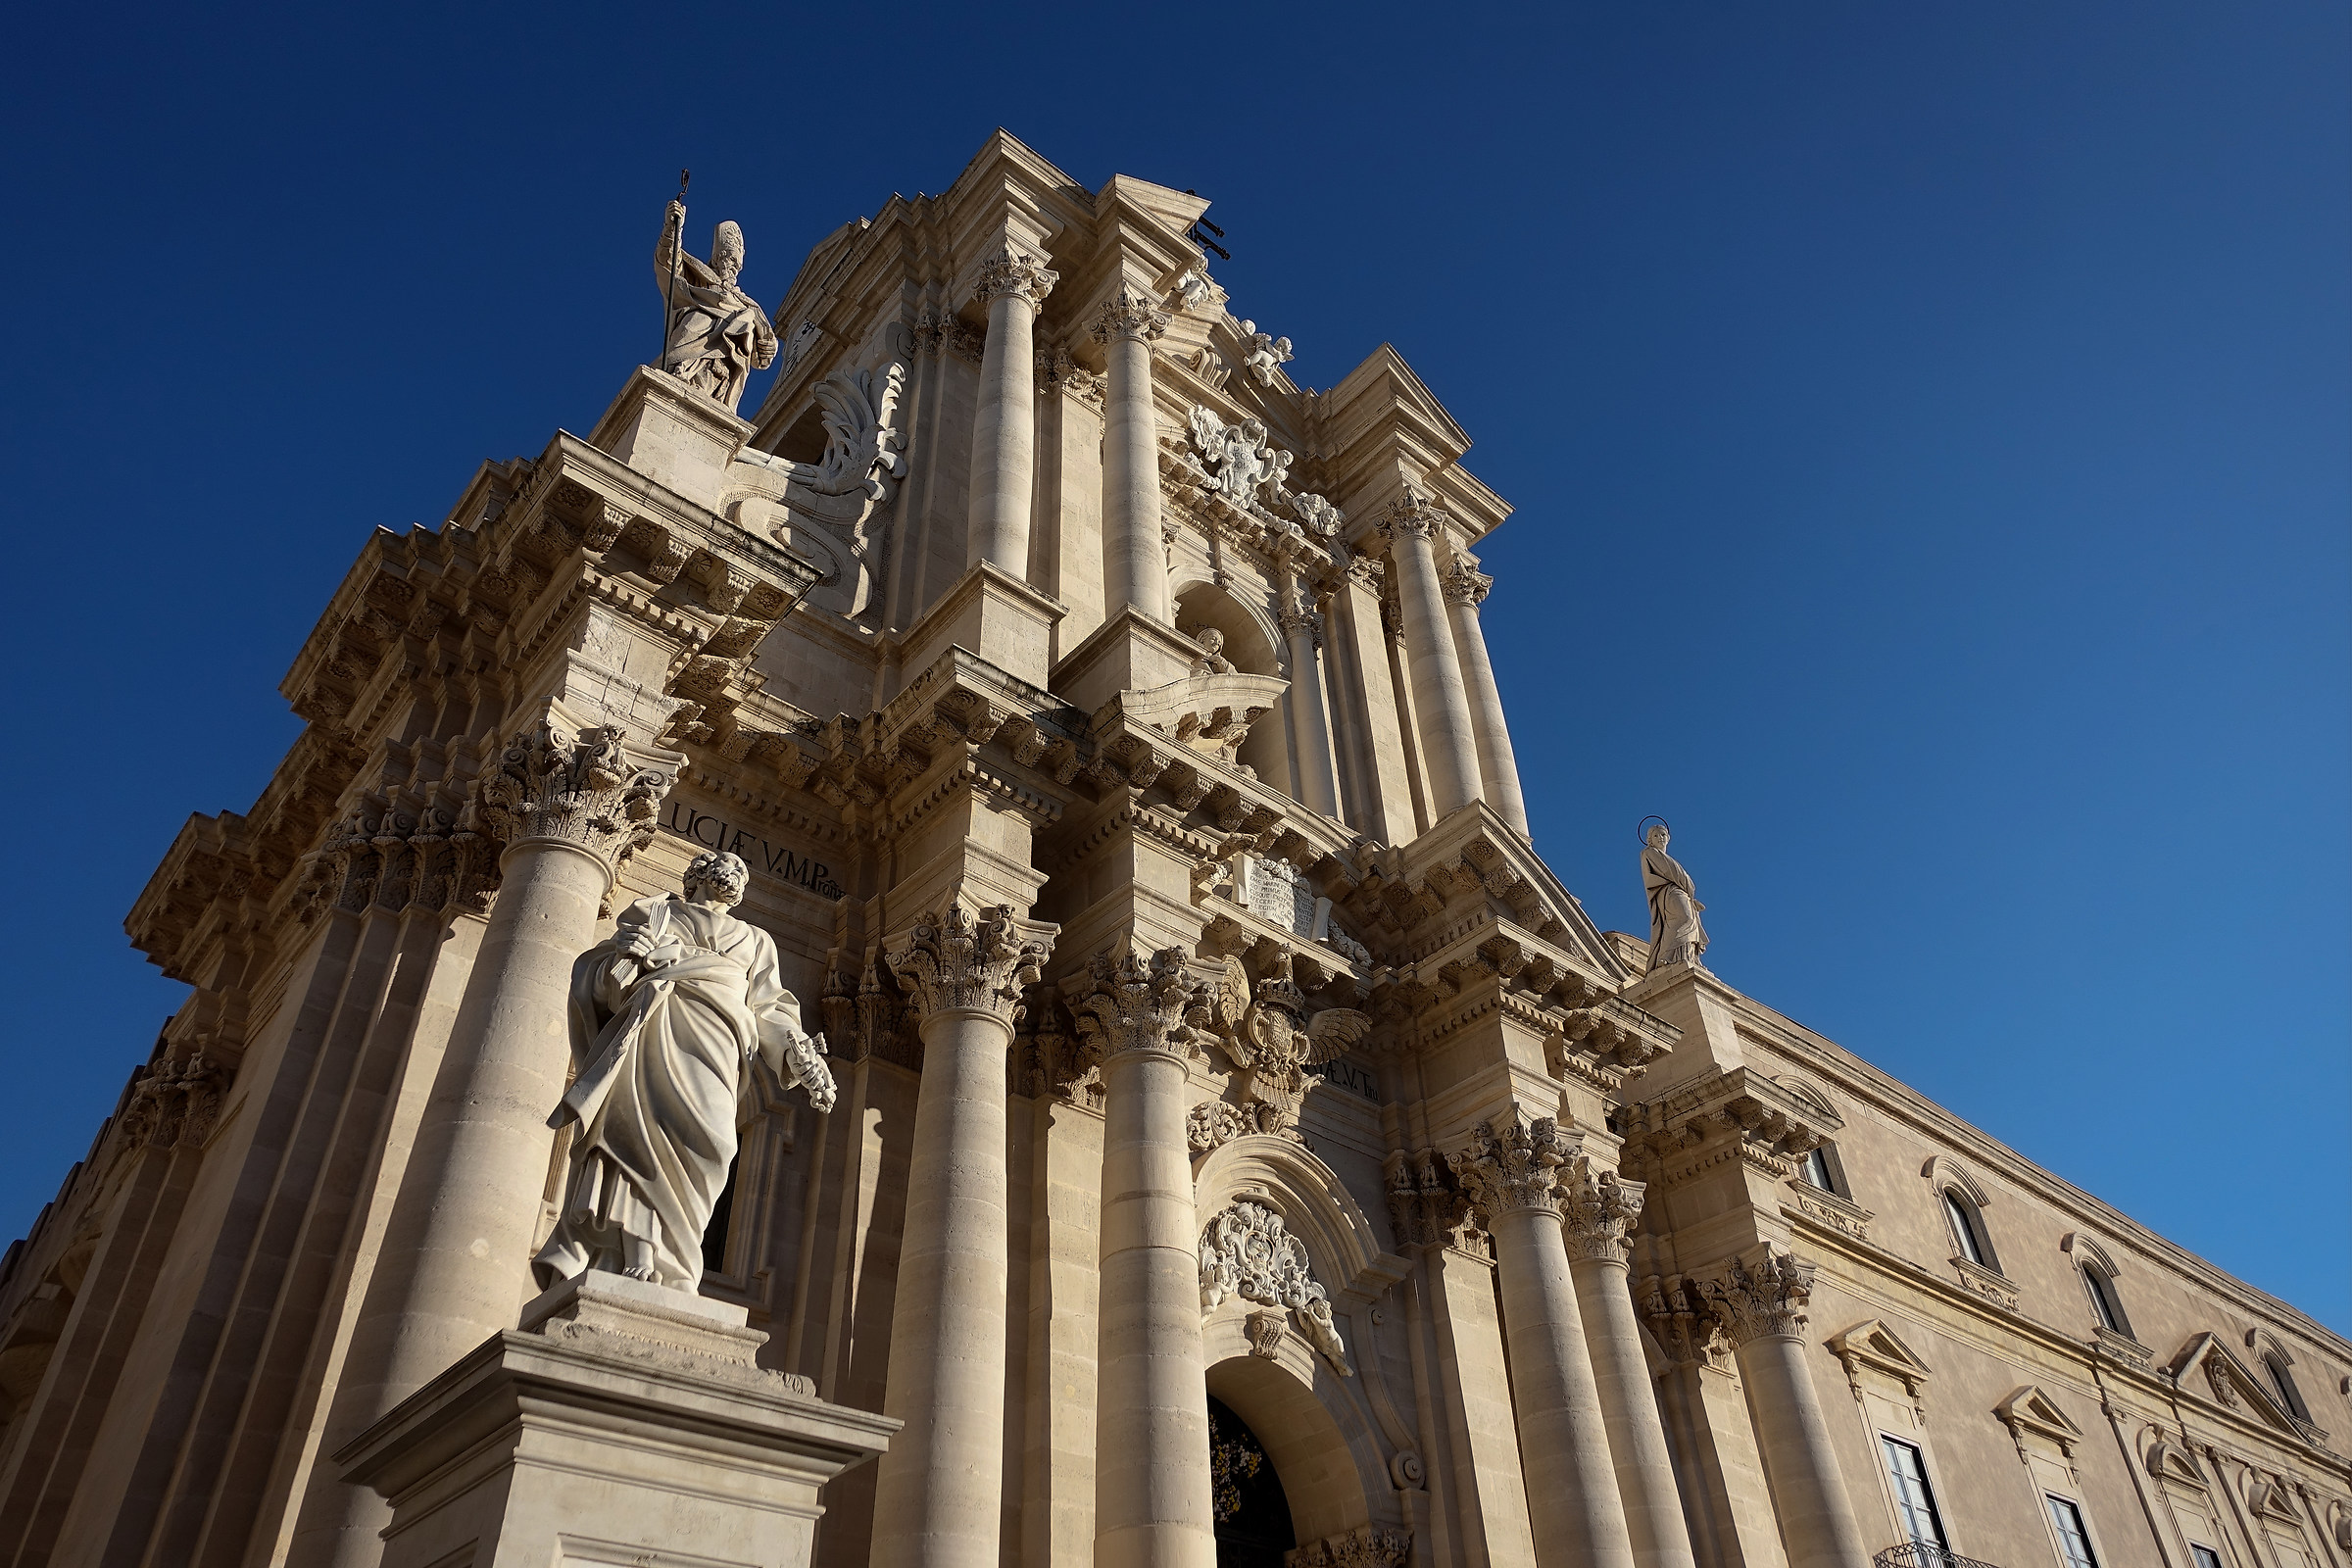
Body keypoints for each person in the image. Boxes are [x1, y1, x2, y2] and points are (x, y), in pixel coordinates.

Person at [534, 850, 834, 1292]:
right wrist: (624, 958)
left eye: (741, 870)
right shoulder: (656, 913)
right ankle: (640, 1251)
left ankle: (673, 1253)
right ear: (696, 873)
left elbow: (770, 1007)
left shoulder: (755, 939)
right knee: (634, 1133)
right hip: (654, 1025)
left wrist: (798, 1055)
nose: (735, 873)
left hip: (717, 1045)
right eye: (728, 864)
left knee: (712, 1143)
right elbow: (597, 980)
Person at [656, 200, 778, 412]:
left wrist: (769, 347)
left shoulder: (747, 305)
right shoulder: (700, 278)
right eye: (727, 259)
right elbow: (668, 263)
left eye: (736, 263)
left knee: (746, 318)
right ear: (716, 259)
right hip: (690, 345)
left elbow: (762, 355)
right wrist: (672, 228)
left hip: (724, 368)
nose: (732, 267)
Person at [1642, 822, 1710, 973]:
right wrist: (1688, 884)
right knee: (1684, 919)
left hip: (1681, 892)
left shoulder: (1665, 856)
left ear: (1668, 838)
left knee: (1690, 922)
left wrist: (1689, 888)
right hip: (1668, 892)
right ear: (1650, 840)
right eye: (1656, 835)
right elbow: (1670, 871)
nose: (1660, 838)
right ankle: (1667, 957)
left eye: (1663, 835)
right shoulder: (1649, 853)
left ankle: (1686, 957)